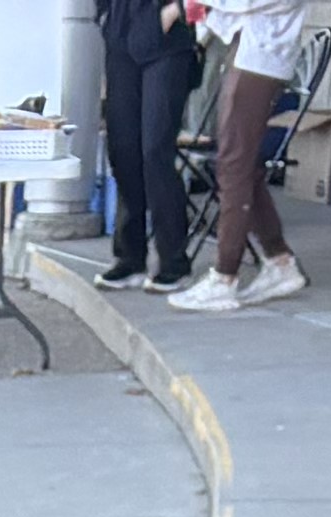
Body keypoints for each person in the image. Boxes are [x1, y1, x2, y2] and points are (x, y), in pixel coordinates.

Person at [176, 0, 302, 307]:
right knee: (239, 164)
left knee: (233, 164)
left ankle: (225, 276)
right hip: (251, 48)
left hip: (262, 55)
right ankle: (278, 259)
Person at [92, 0, 202, 289]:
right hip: (120, 32)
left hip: (168, 39)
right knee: (123, 148)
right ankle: (129, 257)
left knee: (155, 151)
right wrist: (104, 16)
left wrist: (175, 10)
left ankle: (173, 260)